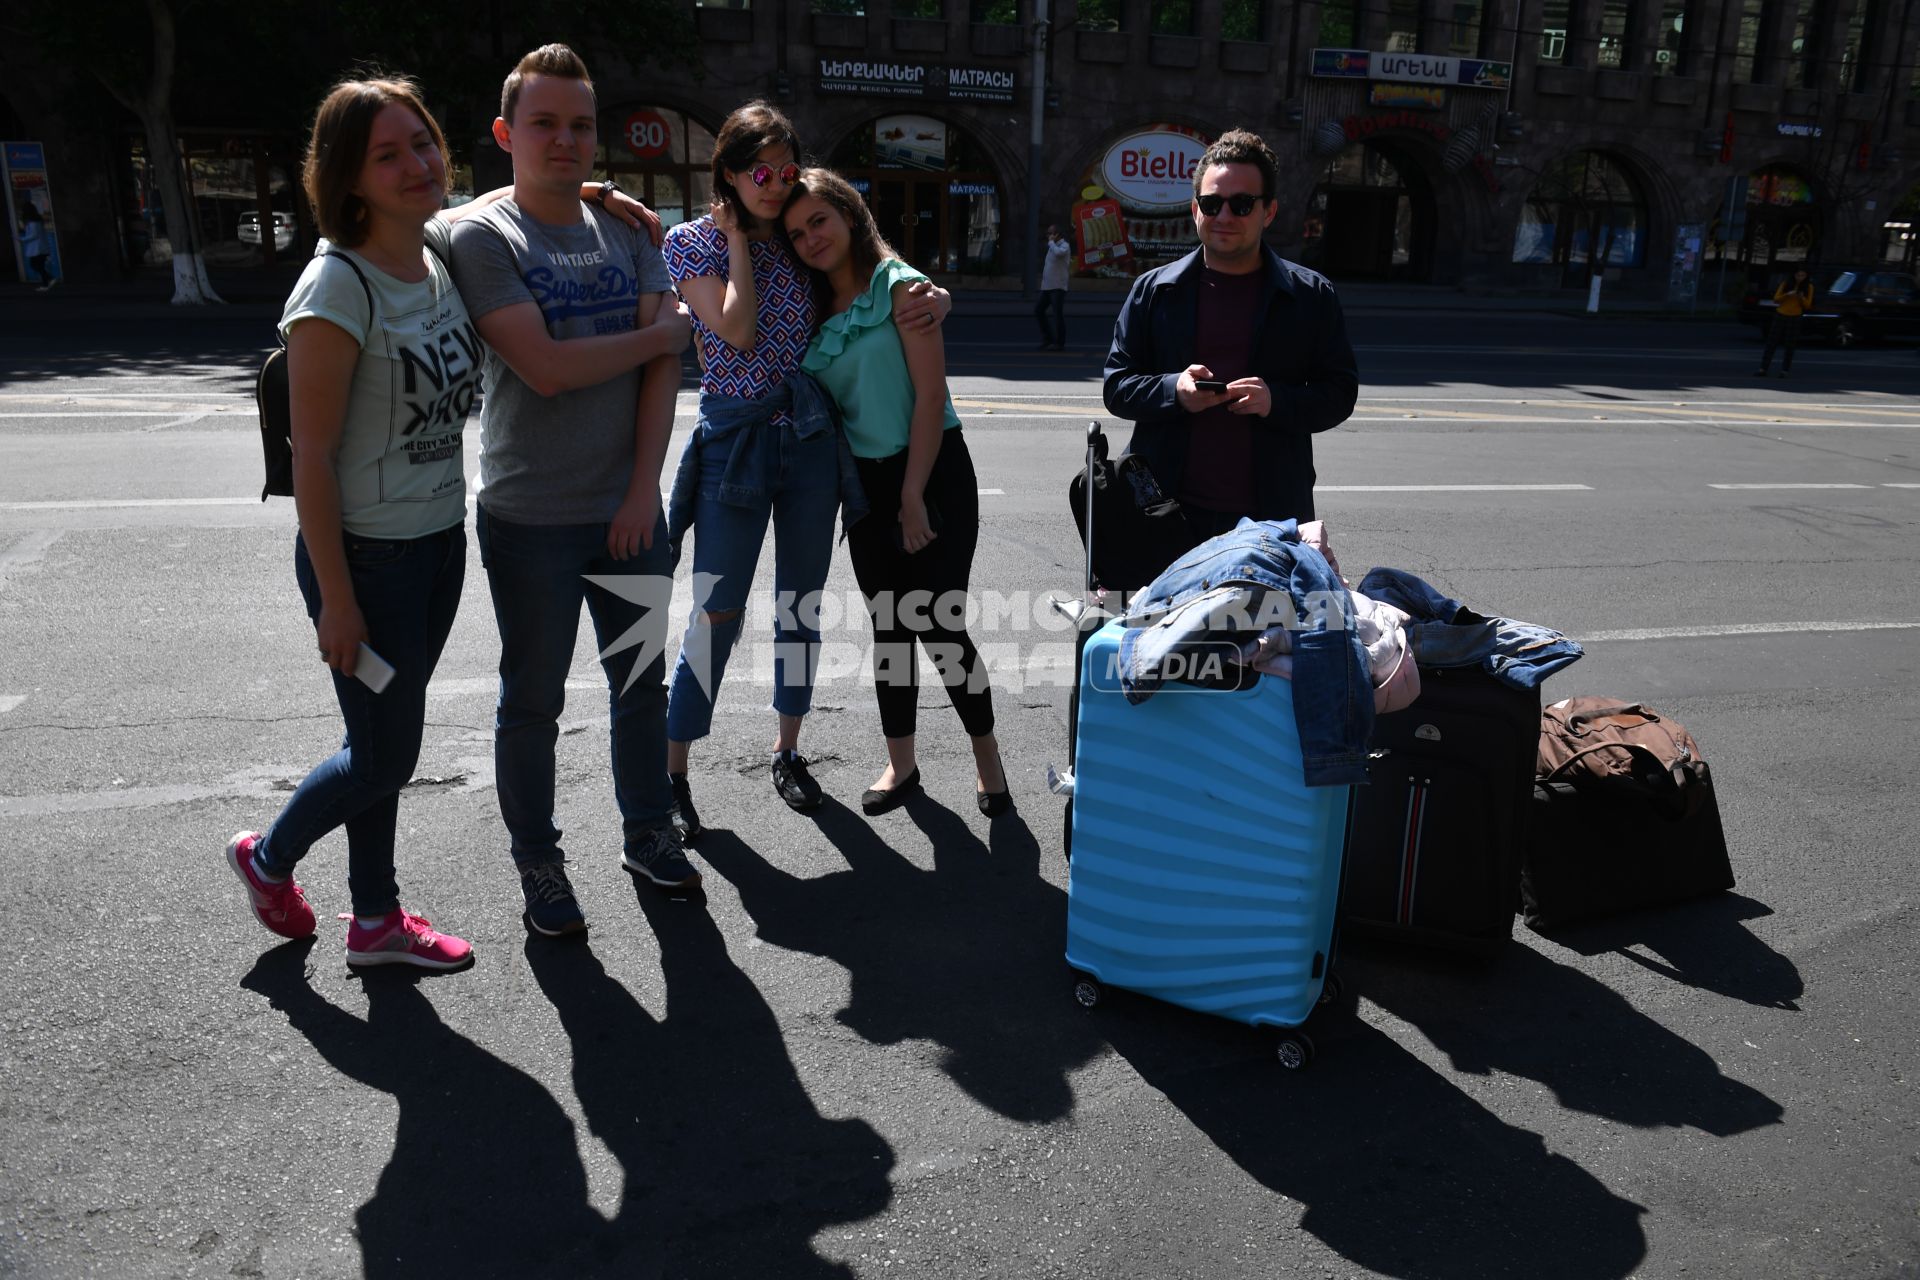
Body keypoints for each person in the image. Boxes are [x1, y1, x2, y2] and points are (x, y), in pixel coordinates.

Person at [223, 77, 480, 970]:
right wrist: (337, 599)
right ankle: (268, 860)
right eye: (388, 154)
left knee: (381, 743)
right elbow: (314, 460)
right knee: (382, 757)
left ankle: (374, 922)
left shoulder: (433, 251)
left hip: (439, 545)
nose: (417, 164)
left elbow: (503, 201)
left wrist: (598, 195)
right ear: (349, 177)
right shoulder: (335, 290)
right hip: (369, 562)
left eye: (423, 142)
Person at [447, 43, 697, 937]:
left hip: (629, 511)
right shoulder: (484, 235)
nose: (566, 141)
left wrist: (642, 493)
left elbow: (665, 381)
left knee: (639, 683)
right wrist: (660, 335)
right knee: (535, 699)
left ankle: (647, 833)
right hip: (530, 520)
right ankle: (540, 863)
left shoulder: (632, 229)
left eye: (581, 126)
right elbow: (546, 371)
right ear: (507, 133)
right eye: (544, 124)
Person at [660, 102, 949, 837]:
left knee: (801, 606)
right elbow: (734, 326)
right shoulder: (690, 243)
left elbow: (869, 274)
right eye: (762, 171)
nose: (777, 184)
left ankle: (787, 752)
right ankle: (672, 768)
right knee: (717, 609)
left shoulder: (795, 241)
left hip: (812, 441)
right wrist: (734, 246)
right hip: (736, 442)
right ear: (728, 171)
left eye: (787, 171)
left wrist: (934, 294)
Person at [782, 168, 1008, 817]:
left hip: (931, 472)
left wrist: (912, 497)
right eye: (796, 233)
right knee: (890, 631)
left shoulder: (902, 287)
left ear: (850, 216)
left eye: (818, 220)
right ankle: (902, 765)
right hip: (865, 486)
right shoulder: (812, 308)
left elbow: (931, 397)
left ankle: (988, 761)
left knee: (940, 626)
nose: (809, 239)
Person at [1102, 128, 1358, 545]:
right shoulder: (1154, 290)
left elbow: (1340, 392)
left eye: (1241, 204)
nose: (1224, 217)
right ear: (1194, 209)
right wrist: (1175, 390)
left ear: (1268, 212)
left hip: (1270, 518)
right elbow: (1117, 386)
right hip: (1164, 513)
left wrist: (1276, 400)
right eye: (1212, 203)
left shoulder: (1310, 296)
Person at [1758, 267, 1813, 378]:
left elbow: (1808, 305)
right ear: (1794, 275)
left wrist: (1801, 297)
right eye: (1798, 275)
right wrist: (1787, 295)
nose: (1800, 278)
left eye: (1803, 276)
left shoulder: (1809, 287)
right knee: (1771, 343)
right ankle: (1763, 368)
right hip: (1781, 314)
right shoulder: (1786, 284)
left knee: (1790, 345)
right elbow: (1776, 299)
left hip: (1795, 317)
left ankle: (1785, 370)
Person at [1035, 223, 1070, 350]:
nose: (1048, 236)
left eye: (1050, 233)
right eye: (1048, 233)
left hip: (1058, 287)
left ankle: (1059, 343)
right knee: (1038, 310)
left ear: (1057, 234)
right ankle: (1048, 338)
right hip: (1048, 287)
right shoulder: (1053, 246)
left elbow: (1059, 254)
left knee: (1057, 315)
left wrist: (1051, 243)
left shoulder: (1064, 246)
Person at [18, 204, 56, 291]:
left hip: (38, 248)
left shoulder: (33, 223)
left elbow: (33, 235)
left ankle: (48, 280)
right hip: (41, 247)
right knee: (39, 265)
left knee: (35, 265)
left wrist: (22, 239)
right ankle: (46, 283)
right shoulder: (37, 221)